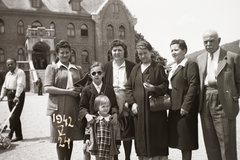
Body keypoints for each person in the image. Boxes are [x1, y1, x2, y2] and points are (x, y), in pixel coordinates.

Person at [196, 29, 240, 160]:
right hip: (205, 100)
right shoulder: (200, 58)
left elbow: (238, 81)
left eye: (211, 41)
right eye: (205, 42)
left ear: (219, 41)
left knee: (226, 142)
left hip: (224, 100)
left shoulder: (231, 57)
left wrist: (234, 96)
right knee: (210, 141)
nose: (208, 44)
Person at [125, 40, 169, 160]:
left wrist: (154, 88)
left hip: (155, 112)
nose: (143, 56)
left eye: (145, 53)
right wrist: (132, 103)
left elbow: (165, 86)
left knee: (157, 138)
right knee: (141, 139)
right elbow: (128, 87)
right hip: (139, 112)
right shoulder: (135, 69)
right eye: (140, 54)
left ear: (150, 52)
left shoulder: (158, 67)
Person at [44, 40, 84, 160]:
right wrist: (68, 92)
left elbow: (83, 86)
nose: (65, 55)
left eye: (67, 52)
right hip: (58, 107)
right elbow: (47, 88)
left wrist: (80, 89)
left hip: (73, 106)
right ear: (57, 54)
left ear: (71, 53)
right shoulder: (52, 68)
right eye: (62, 53)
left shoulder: (77, 69)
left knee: (69, 136)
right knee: (61, 137)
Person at [78, 61, 119, 160]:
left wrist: (115, 114)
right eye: (94, 73)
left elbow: (114, 105)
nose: (97, 75)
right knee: (87, 148)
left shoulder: (108, 89)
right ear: (90, 75)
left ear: (103, 74)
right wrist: (87, 115)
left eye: (99, 73)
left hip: (105, 125)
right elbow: (82, 107)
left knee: (107, 150)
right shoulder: (86, 90)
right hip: (91, 124)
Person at [103, 39, 135, 160]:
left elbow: (134, 86)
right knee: (113, 129)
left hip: (126, 98)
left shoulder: (132, 66)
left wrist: (130, 101)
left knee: (127, 129)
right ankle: (115, 157)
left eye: (119, 50)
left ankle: (127, 157)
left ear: (124, 51)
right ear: (111, 52)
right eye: (114, 50)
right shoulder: (106, 67)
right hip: (111, 99)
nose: (117, 52)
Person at [168, 39, 199, 160]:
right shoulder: (173, 67)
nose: (173, 53)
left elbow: (193, 85)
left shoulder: (190, 64)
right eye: (171, 50)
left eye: (176, 50)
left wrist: (186, 105)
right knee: (180, 141)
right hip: (174, 108)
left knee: (186, 143)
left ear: (184, 50)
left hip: (184, 109)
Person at [84, 95, 121, 160]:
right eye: (103, 106)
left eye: (107, 106)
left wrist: (118, 141)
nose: (106, 108)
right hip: (98, 145)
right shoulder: (94, 119)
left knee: (110, 158)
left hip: (109, 144)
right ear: (97, 107)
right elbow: (88, 129)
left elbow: (117, 131)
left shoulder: (111, 119)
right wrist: (87, 138)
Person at [0, 58, 26, 142]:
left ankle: (9, 135)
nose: (9, 66)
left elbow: (20, 84)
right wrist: (1, 96)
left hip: (18, 95)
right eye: (8, 64)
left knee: (13, 116)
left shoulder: (20, 72)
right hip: (9, 95)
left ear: (15, 64)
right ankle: (19, 135)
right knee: (15, 116)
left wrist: (17, 96)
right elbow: (4, 86)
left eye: (11, 64)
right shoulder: (8, 74)